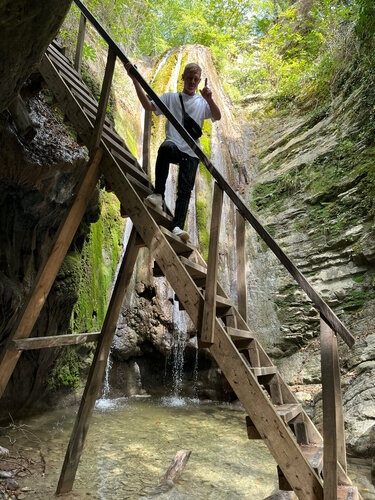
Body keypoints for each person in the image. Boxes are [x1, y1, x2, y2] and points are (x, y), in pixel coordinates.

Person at [125, 61, 221, 242]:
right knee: (165, 148)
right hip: (174, 146)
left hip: (192, 152)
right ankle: (158, 194)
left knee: (185, 190)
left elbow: (217, 116)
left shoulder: (202, 102)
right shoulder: (170, 98)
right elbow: (148, 106)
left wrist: (209, 99)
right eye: (190, 78)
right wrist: (134, 80)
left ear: (199, 81)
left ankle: (178, 227)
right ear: (182, 78)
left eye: (196, 79)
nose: (192, 82)